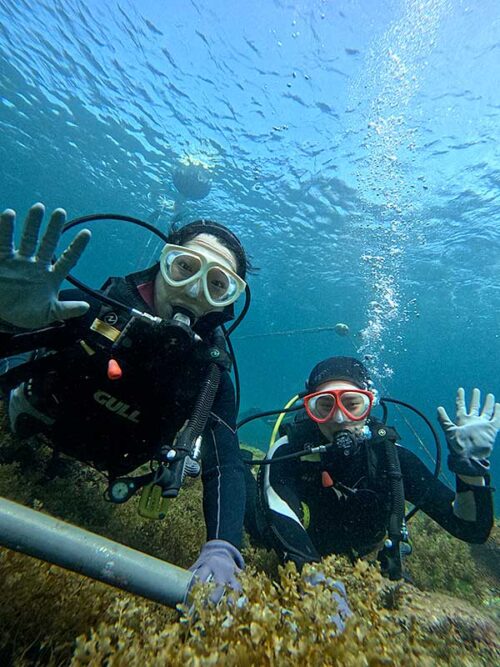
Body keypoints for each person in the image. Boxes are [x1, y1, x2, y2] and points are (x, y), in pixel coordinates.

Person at [0, 202, 250, 598]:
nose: (193, 289)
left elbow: (227, 465)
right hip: (34, 419)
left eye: (217, 284)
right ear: (162, 264)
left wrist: (223, 548)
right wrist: (7, 320)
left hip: (117, 462)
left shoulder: (210, 376)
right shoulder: (96, 312)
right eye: (184, 267)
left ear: (226, 302)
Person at [245, 356, 497, 579]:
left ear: (368, 406)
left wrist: (470, 471)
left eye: (352, 404)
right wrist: (315, 581)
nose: (339, 417)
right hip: (293, 541)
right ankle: (240, 463)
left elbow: (470, 528)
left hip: (361, 550)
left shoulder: (392, 459)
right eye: (325, 405)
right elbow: (281, 515)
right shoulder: (288, 452)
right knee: (256, 526)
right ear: (310, 410)